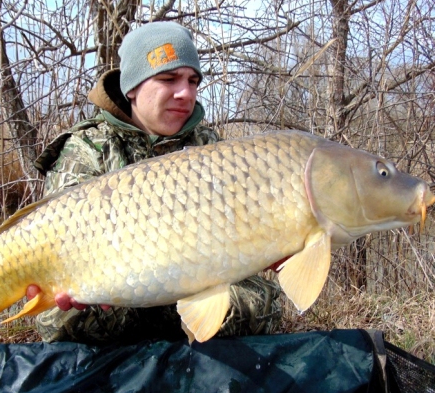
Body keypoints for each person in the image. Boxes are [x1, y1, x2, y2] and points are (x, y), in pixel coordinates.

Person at [33, 22, 282, 344]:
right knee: (67, 318)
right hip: (114, 277)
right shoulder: (88, 148)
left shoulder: (209, 145)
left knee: (259, 303)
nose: (186, 93)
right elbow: (60, 240)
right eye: (168, 79)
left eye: (193, 81)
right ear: (132, 88)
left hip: (198, 274)